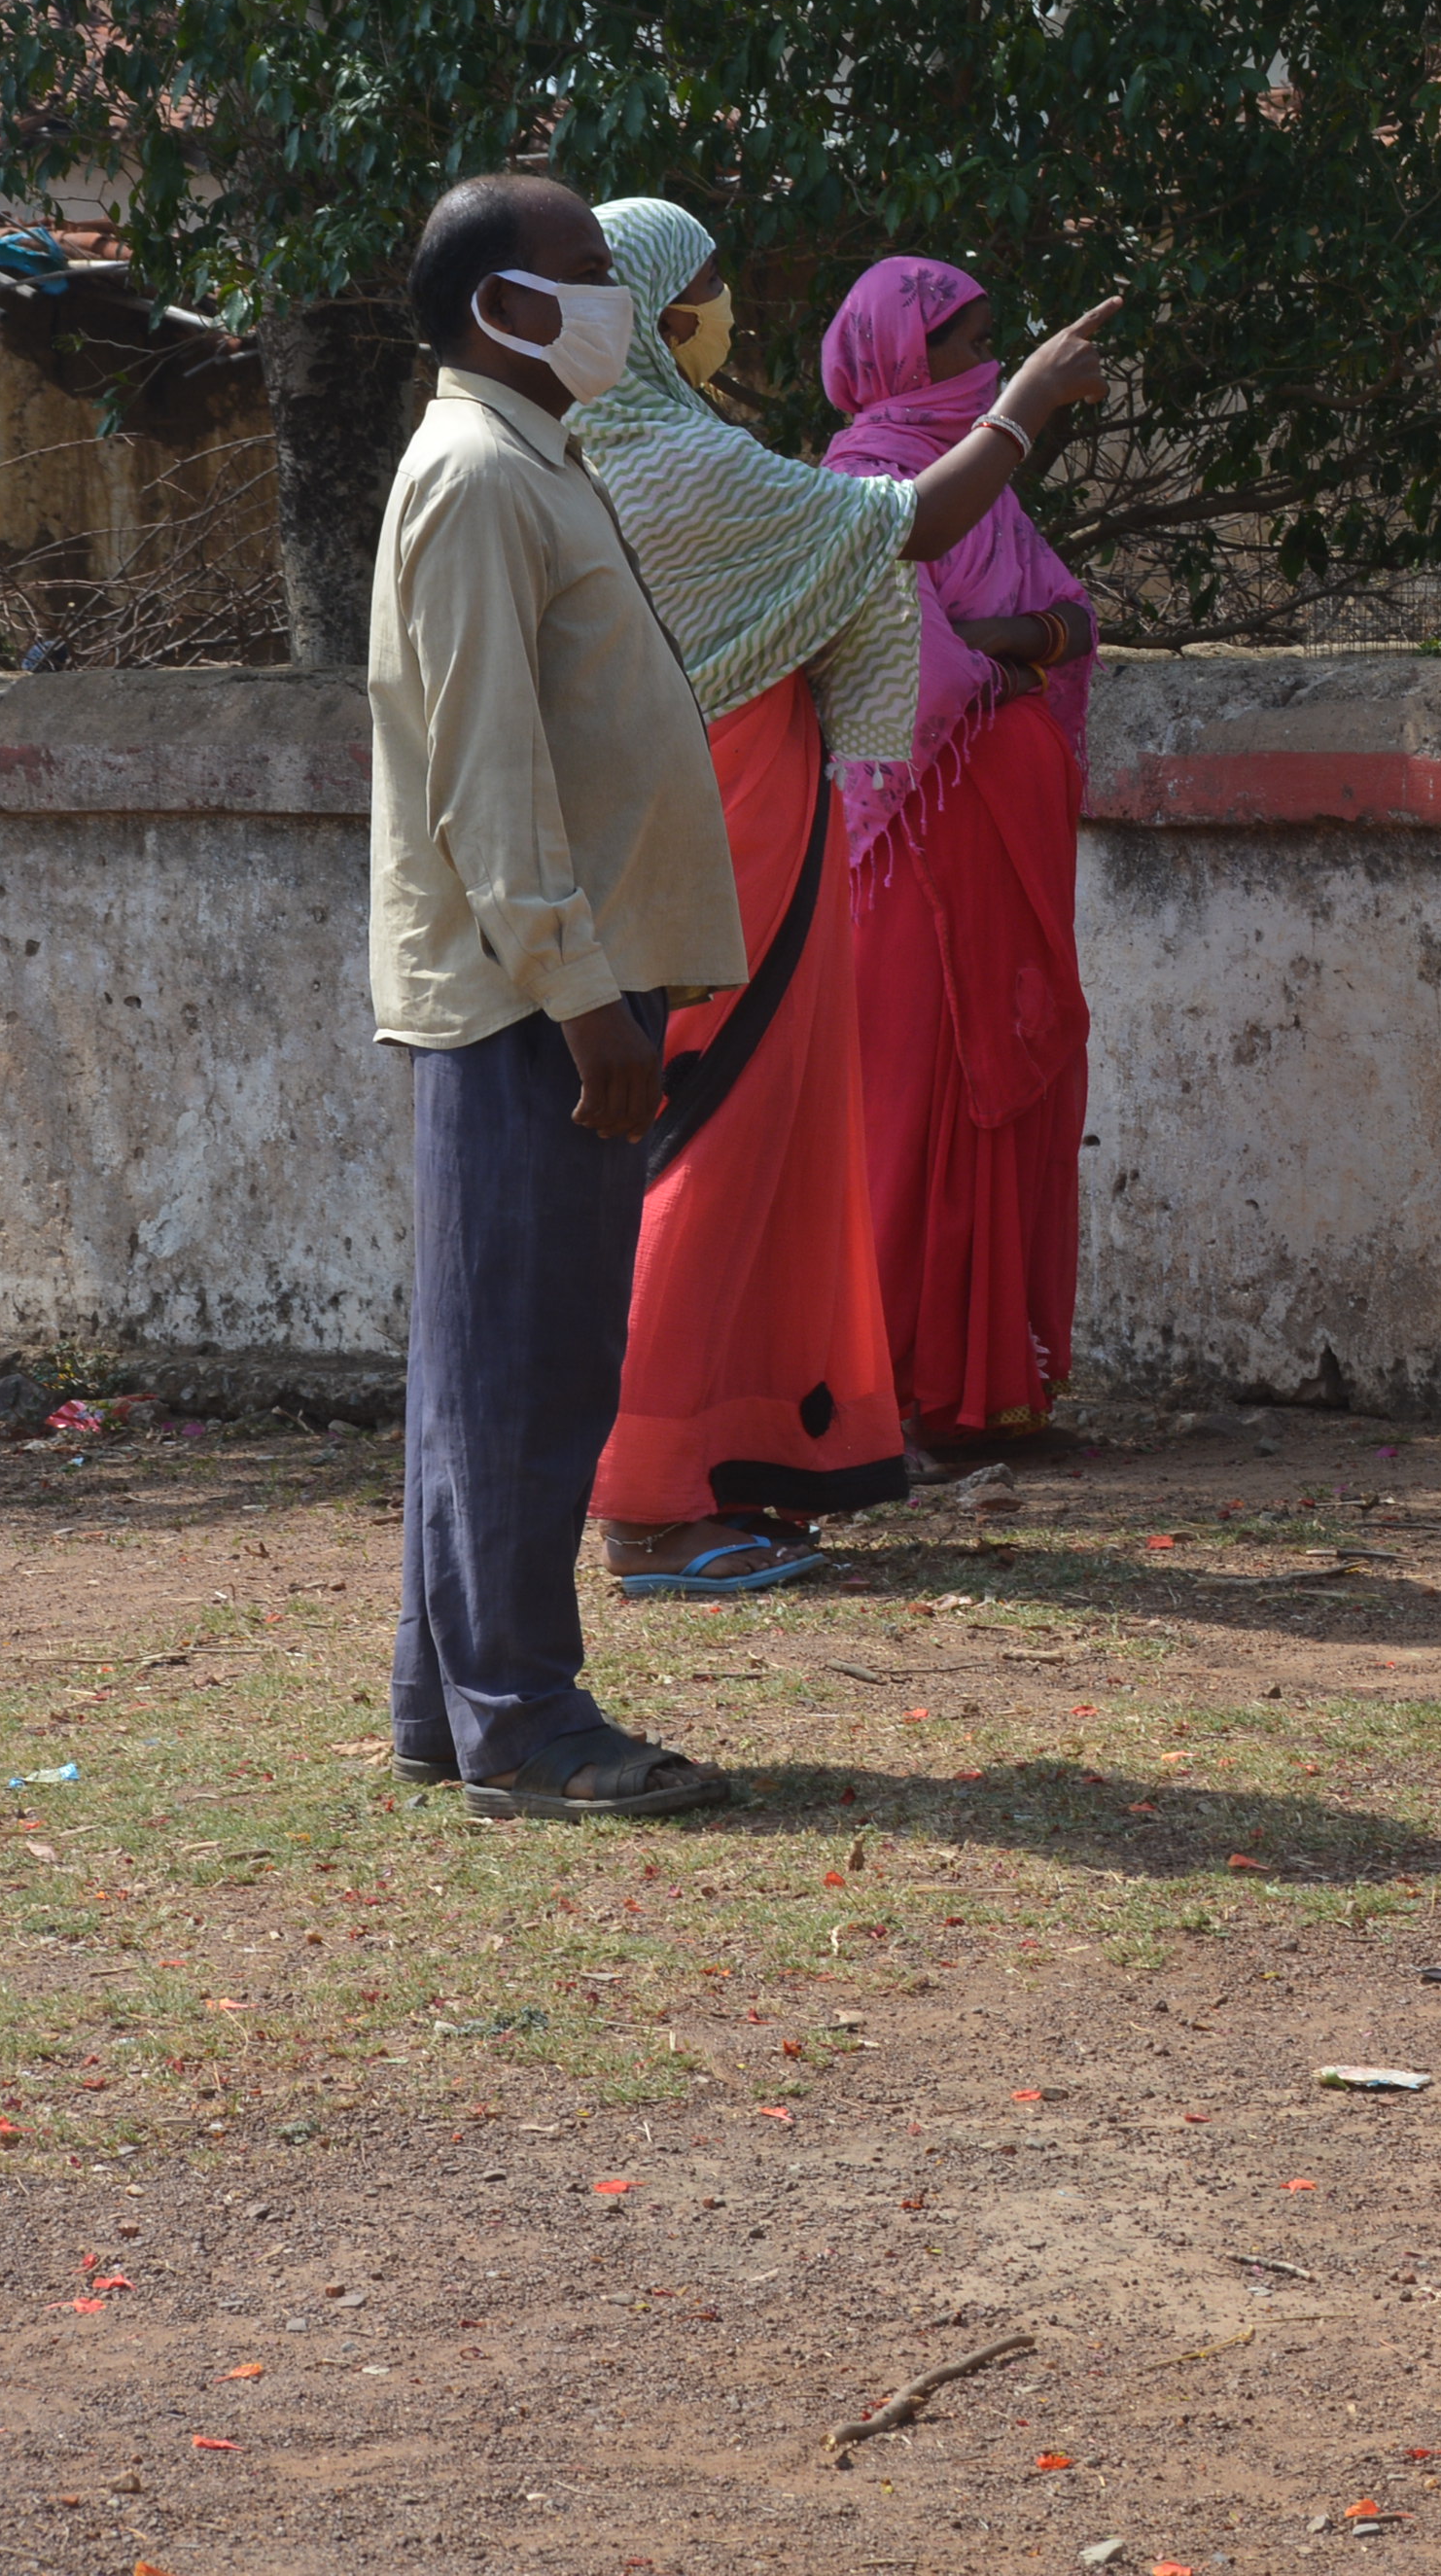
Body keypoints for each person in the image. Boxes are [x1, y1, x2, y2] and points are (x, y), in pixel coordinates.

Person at [571, 198, 1116, 1589]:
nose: (721, 311)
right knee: (709, 1160)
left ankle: (738, 1469)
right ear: (637, 312)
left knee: (766, 1164)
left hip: (760, 839)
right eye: (697, 288)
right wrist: (1033, 403)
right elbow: (906, 533)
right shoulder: (670, 464)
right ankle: (650, 1504)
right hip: (720, 856)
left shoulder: (630, 451)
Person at [369, 172, 750, 1817]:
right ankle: (524, 1724)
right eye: (588, 275)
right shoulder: (473, 476)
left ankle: (447, 1706)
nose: (620, 302)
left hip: (573, 979)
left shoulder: (540, 463)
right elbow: (485, 770)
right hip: (536, 996)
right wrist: (580, 992)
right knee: (521, 1370)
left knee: (508, 1363)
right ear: (500, 307)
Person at [823, 255, 1106, 1453]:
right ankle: (898, 1394)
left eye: (996, 337)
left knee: (1014, 1091)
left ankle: (997, 1393)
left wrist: (1003, 644)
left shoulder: (982, 488)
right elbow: (899, 666)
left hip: (1005, 840)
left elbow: (1074, 623)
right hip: (915, 855)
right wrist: (1013, 650)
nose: (986, 360)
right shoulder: (863, 479)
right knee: (919, 1107)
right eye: (964, 340)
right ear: (900, 356)